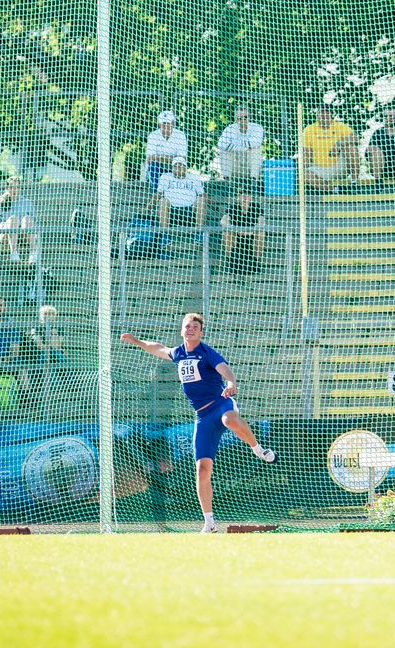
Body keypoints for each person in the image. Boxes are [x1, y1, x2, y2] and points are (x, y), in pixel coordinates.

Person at [120, 313, 278, 533]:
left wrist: (231, 382)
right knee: (202, 470)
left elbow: (225, 369)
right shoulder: (178, 353)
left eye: (195, 326)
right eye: (187, 326)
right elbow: (157, 348)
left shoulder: (207, 353)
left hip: (220, 404)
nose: (191, 329)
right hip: (202, 417)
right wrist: (136, 341)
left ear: (201, 332)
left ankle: (258, 449)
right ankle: (209, 523)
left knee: (229, 419)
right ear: (182, 330)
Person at [300, 102, 356, 191]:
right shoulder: (309, 130)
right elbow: (306, 153)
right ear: (317, 114)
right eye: (322, 112)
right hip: (320, 169)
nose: (324, 115)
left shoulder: (339, 126)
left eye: (327, 113)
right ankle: (335, 190)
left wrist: (339, 143)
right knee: (304, 174)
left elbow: (355, 137)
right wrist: (303, 168)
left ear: (331, 115)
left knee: (351, 148)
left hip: (339, 166)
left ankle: (354, 182)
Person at [0, 176, 39, 266]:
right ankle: (14, 253)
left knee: (27, 219)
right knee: (13, 219)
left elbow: (35, 223)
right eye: (11, 187)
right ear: (7, 188)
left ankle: (33, 253)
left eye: (17, 187)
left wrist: (22, 226)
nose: (14, 190)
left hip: (23, 235)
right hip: (6, 235)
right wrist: (7, 225)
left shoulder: (27, 202)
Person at [214, 107, 266, 187]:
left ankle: (253, 181)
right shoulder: (230, 129)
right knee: (224, 151)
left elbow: (256, 142)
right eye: (239, 118)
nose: (243, 120)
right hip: (235, 165)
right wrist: (245, 146)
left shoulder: (257, 127)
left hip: (249, 165)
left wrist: (234, 145)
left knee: (256, 149)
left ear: (249, 117)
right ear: (235, 119)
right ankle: (227, 182)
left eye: (245, 117)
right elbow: (221, 144)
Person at [220, 188, 265, 272]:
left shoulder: (256, 207)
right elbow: (223, 221)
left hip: (251, 237)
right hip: (236, 237)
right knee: (226, 231)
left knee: (261, 232)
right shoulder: (233, 207)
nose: (244, 198)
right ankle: (229, 260)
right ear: (238, 197)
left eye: (247, 195)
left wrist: (251, 231)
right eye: (242, 195)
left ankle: (257, 260)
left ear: (251, 197)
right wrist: (236, 230)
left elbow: (262, 222)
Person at [156, 156, 207, 229]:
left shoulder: (194, 177)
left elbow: (202, 194)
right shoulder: (165, 177)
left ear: (185, 167)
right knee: (163, 201)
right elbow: (158, 194)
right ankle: (165, 234)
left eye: (180, 166)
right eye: (175, 166)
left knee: (201, 200)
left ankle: (199, 234)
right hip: (172, 210)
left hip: (190, 211)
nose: (177, 169)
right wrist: (148, 208)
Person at [144, 111, 188, 191]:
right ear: (159, 124)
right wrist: (173, 158)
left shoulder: (180, 135)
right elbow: (149, 159)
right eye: (163, 123)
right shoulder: (153, 135)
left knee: (179, 167)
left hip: (173, 168)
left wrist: (158, 157)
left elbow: (182, 159)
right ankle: (156, 193)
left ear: (173, 123)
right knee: (153, 167)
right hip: (157, 169)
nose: (165, 126)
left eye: (168, 123)